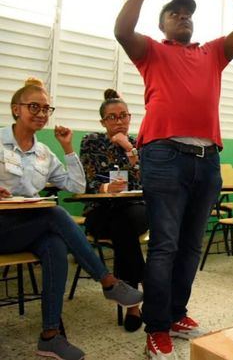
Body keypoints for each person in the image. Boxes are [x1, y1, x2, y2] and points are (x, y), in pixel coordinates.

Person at [114, 0, 233, 359]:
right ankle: (156, 326)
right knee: (165, 245)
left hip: (207, 160)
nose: (184, 17)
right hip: (163, 156)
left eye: (188, 13)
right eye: (175, 13)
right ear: (162, 25)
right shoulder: (152, 52)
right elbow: (122, 30)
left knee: (192, 245)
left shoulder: (211, 52)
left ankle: (176, 312)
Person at [0, 78, 143, 360]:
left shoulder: (44, 153)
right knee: (54, 213)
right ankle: (108, 282)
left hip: (28, 227)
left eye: (46, 108)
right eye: (34, 107)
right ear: (16, 109)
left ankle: (50, 337)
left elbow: (76, 187)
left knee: (55, 244)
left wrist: (67, 148)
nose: (41, 113)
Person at [79, 88, 148, 332]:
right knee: (121, 223)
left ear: (130, 117)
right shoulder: (91, 141)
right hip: (101, 210)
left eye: (123, 116)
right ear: (103, 121)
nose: (119, 121)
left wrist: (129, 149)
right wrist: (107, 187)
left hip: (136, 208)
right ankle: (144, 287)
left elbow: (148, 181)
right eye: (112, 117)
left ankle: (133, 303)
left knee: (125, 221)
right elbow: (87, 180)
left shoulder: (140, 142)